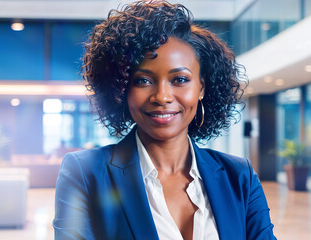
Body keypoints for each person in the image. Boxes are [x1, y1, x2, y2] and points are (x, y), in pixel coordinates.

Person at [53, 1, 276, 239]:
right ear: (122, 89)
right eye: (143, 80)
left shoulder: (239, 175)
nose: (162, 97)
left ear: (201, 87)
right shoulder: (85, 173)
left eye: (179, 79)